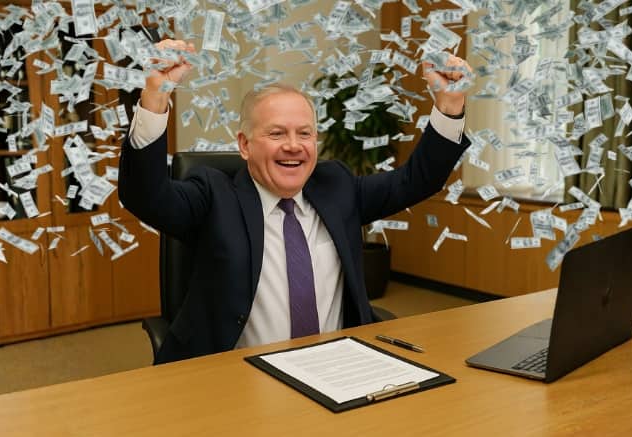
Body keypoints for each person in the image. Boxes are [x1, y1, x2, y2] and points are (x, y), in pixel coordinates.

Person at [119, 39, 472, 364]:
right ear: (244, 145)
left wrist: (450, 106)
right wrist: (154, 98)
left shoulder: (337, 186)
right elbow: (146, 195)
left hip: (335, 368)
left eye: (304, 133)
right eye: (276, 133)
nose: (293, 145)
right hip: (233, 376)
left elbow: (417, 180)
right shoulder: (214, 195)